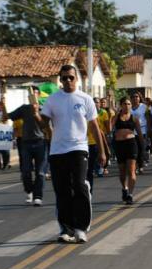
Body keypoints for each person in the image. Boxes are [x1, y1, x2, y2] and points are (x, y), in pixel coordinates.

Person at [38, 65, 106, 243]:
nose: (68, 81)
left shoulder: (85, 99)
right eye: (64, 78)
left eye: (71, 77)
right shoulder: (52, 100)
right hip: (57, 150)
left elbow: (94, 127)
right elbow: (43, 124)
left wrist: (102, 151)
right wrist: (36, 115)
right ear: (60, 80)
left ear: (77, 79)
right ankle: (66, 229)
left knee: (79, 186)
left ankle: (81, 228)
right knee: (62, 190)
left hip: (79, 148)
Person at [2, 87, 47, 206]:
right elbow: (6, 117)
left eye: (35, 94)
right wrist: (3, 104)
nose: (33, 97)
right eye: (31, 95)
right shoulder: (24, 109)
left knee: (40, 173)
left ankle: (38, 196)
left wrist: (36, 113)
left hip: (40, 143)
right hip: (26, 143)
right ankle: (29, 191)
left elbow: (45, 126)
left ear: (39, 96)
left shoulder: (45, 109)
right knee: (26, 171)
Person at [111, 96, 144, 204]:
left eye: (129, 104)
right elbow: (109, 128)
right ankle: (124, 188)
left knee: (131, 171)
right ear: (121, 105)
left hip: (131, 144)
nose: (127, 106)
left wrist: (143, 146)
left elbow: (139, 133)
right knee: (122, 172)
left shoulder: (134, 118)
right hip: (119, 145)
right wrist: (115, 115)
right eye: (125, 104)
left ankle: (130, 194)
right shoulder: (117, 117)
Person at [131, 92, 148, 174]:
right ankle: (136, 166)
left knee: (141, 149)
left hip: (142, 130)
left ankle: (141, 166)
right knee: (135, 150)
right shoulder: (129, 107)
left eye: (137, 97)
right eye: (133, 97)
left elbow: (148, 118)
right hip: (132, 131)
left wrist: (149, 130)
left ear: (139, 98)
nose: (135, 98)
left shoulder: (144, 107)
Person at [0, 101, 11, 170]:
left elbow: (5, 121)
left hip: (5, 135)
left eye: (0, 106)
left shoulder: (4, 114)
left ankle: (6, 164)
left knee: (6, 151)